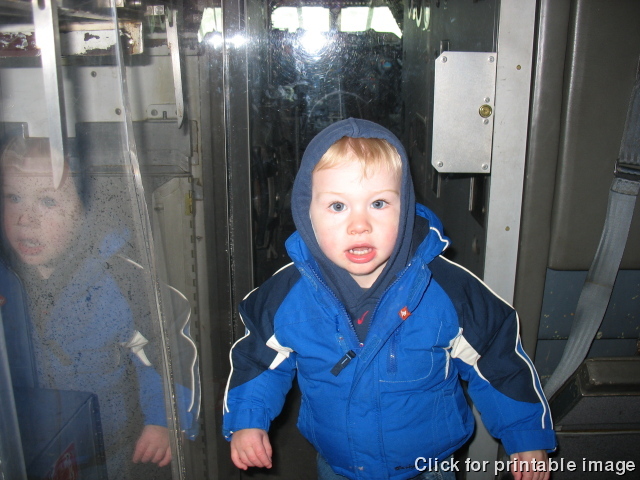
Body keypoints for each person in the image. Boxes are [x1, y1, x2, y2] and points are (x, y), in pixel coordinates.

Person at [223, 118, 556, 480]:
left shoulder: (445, 288)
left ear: (406, 207)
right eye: (338, 206)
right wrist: (247, 419)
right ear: (307, 214)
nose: (359, 225)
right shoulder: (288, 295)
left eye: (379, 203)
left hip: (428, 468)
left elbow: (495, 358)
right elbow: (258, 360)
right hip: (339, 467)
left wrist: (525, 434)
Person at [0, 137, 177, 479]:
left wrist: (164, 418)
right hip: (26, 447)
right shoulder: (6, 276)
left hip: (106, 448)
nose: (25, 218)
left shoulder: (119, 276)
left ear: (84, 211)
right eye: (13, 197)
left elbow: (165, 351)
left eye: (47, 201)